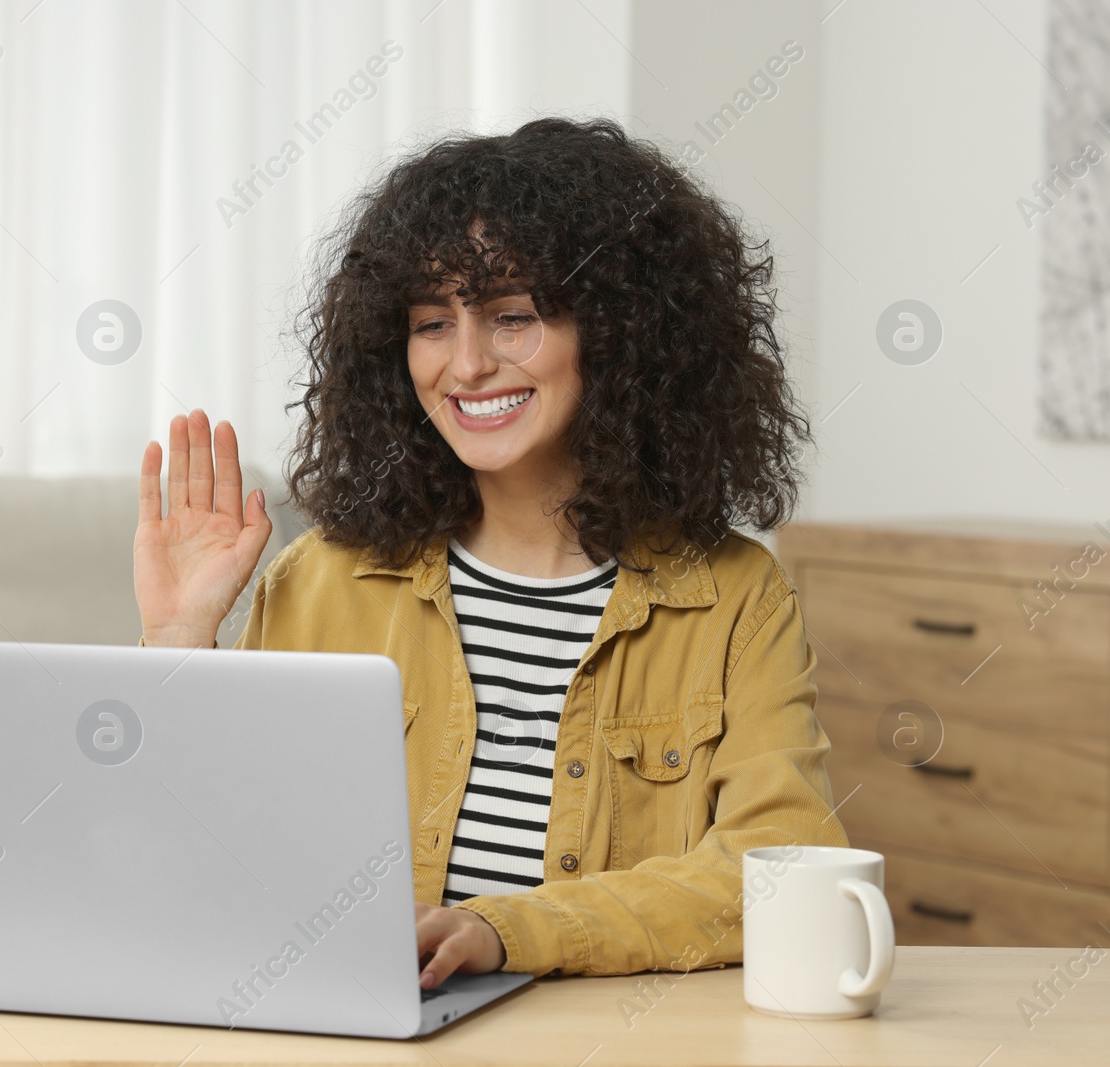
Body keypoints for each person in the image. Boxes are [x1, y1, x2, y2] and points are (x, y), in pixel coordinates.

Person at [132, 116, 846, 991]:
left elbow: (777, 870)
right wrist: (177, 641)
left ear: (620, 335)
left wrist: (503, 928)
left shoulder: (735, 598)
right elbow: (208, 868)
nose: (466, 364)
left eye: (512, 317)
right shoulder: (322, 578)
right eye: (432, 323)